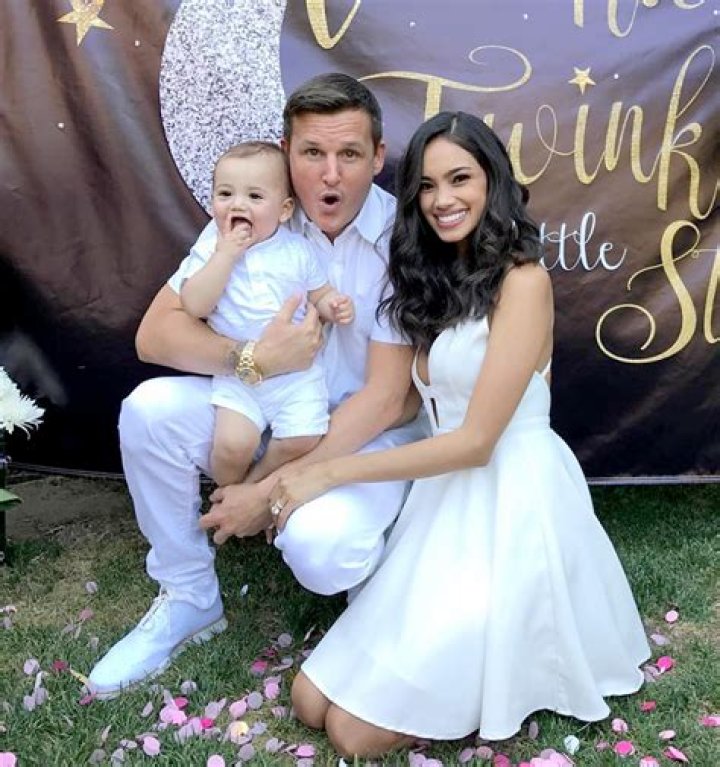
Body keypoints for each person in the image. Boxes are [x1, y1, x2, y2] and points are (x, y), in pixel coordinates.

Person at [268, 111, 651, 758]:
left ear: (492, 181)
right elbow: (406, 402)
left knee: (352, 735)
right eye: (426, 185)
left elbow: (476, 442)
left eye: (459, 178)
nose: (442, 198)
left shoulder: (523, 282)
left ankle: (498, 669)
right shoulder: (439, 281)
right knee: (308, 700)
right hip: (443, 505)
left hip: (511, 503)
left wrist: (326, 472)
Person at [87, 73, 427, 698]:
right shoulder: (254, 213)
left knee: (322, 551)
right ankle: (189, 595)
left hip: (363, 434)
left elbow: (387, 399)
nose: (330, 174)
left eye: (350, 154)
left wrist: (266, 493)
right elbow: (155, 336)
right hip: (263, 405)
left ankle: (386, 570)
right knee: (148, 411)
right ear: (286, 152)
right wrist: (252, 359)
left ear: (378, 157)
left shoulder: (404, 237)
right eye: (312, 152)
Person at [178, 141, 354, 486]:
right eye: (225, 194)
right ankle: (226, 492)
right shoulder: (210, 249)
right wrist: (225, 256)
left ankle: (253, 486)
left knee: (303, 438)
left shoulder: (297, 249)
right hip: (239, 377)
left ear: (285, 210)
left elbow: (318, 292)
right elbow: (195, 305)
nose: (237, 204)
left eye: (254, 197)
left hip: (297, 376)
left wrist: (332, 305)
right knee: (232, 445)